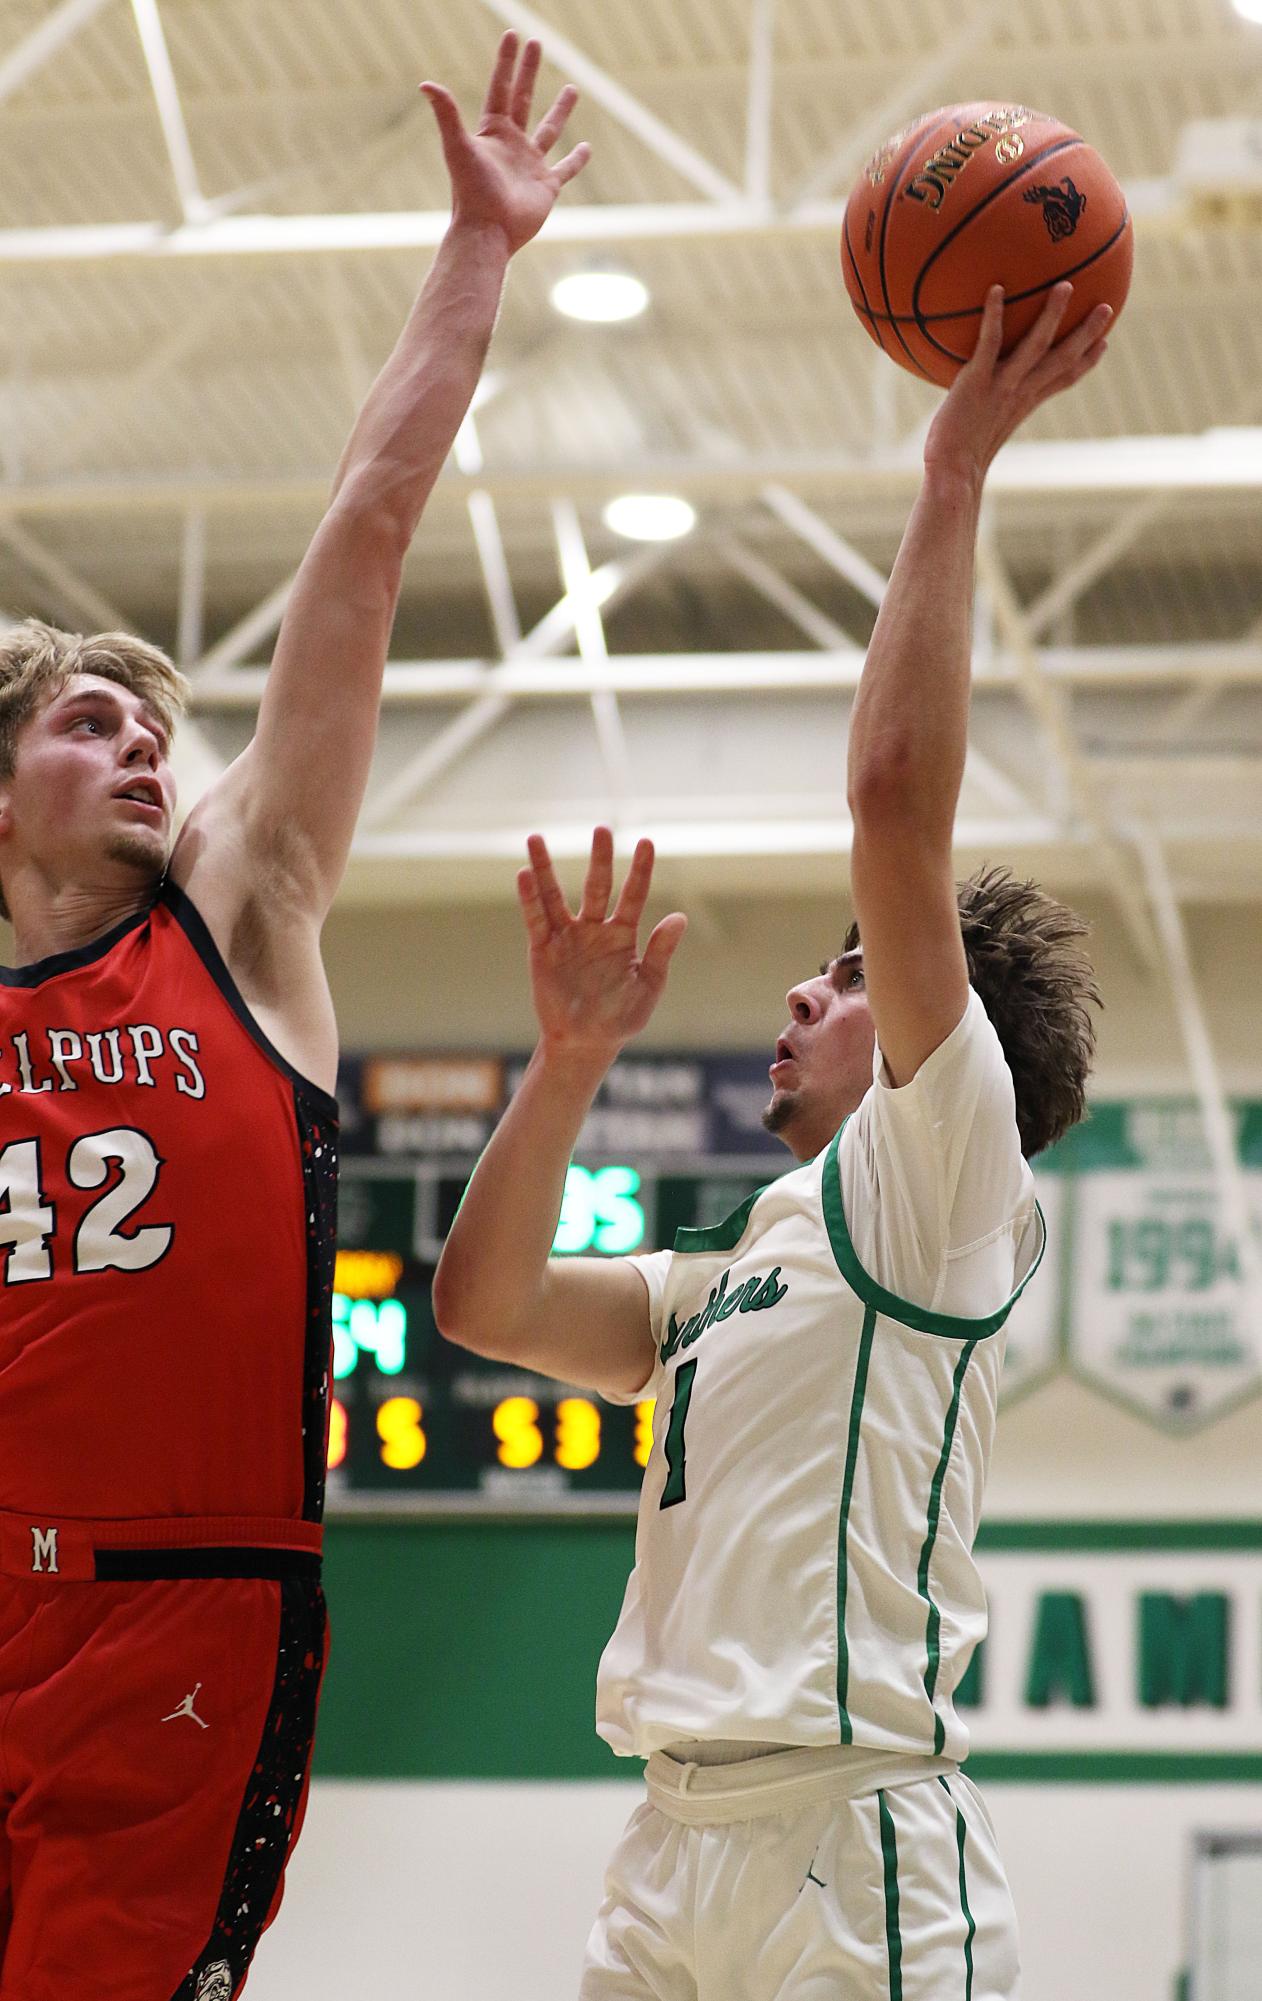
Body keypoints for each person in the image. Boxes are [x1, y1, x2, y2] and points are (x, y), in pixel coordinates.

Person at [433, 282, 1109, 2000]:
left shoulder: (937, 1179)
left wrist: (949, 467)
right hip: (667, 1846)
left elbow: (892, 796)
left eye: (851, 973)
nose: (807, 995)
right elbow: (484, 1306)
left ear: (939, 1038)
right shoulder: (735, 1265)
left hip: (852, 1850)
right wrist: (569, 1059)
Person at [0, 35, 587, 2001]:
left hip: (180, 1604)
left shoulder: (239, 916)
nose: (146, 741)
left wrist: (475, 264)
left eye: (157, 718)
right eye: (91, 721)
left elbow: (363, 533)